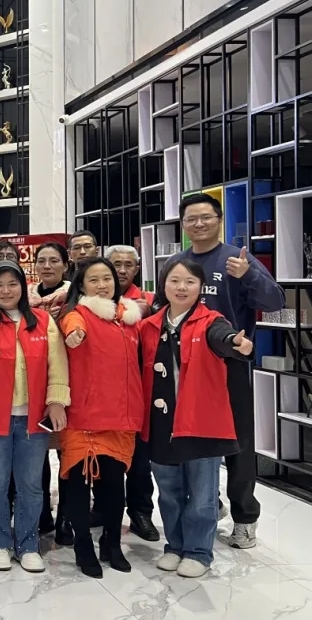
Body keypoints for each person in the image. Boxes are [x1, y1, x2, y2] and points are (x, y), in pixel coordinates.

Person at [172, 193, 284, 549]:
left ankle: (245, 516)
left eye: (206, 217)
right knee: (190, 439)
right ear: (183, 224)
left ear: (219, 220)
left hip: (229, 365)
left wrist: (248, 275)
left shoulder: (238, 259)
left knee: (238, 444)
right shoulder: (176, 262)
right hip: (185, 366)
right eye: (191, 219)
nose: (199, 224)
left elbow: (275, 301)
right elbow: (163, 308)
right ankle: (210, 502)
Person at [141, 258, 255, 578]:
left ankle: (198, 552)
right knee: (169, 493)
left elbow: (222, 337)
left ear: (201, 287)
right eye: (175, 281)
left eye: (190, 281)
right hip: (161, 423)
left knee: (203, 496)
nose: (182, 287)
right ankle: (175, 546)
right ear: (163, 285)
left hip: (201, 423)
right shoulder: (149, 326)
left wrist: (235, 342)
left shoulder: (211, 321)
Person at [0, 260, 70, 573]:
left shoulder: (42, 320)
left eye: (13, 284)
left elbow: (57, 363)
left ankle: (28, 544)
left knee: (31, 485)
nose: (6, 290)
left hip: (33, 417)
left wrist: (57, 401)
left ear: (23, 287)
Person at [56, 257, 142, 578]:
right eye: (94, 280)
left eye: (107, 278)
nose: (102, 285)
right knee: (78, 487)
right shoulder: (76, 314)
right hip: (84, 416)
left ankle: (111, 542)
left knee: (114, 488)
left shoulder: (129, 319)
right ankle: (83, 546)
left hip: (121, 416)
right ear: (81, 286)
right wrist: (74, 334)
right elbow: (70, 326)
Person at [103, 244, 159, 542]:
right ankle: (101, 509)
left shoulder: (149, 301)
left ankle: (140, 512)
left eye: (128, 265)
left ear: (137, 269)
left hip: (139, 392)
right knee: (103, 457)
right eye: (116, 264)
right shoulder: (95, 301)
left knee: (139, 460)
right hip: (103, 393)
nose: (122, 270)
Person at [26, 241, 72, 539]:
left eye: (54, 260)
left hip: (71, 380)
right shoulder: (26, 298)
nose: (47, 266)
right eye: (41, 260)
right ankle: (42, 512)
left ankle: (66, 516)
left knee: (68, 451)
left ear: (65, 265)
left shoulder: (76, 296)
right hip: (35, 381)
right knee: (38, 451)